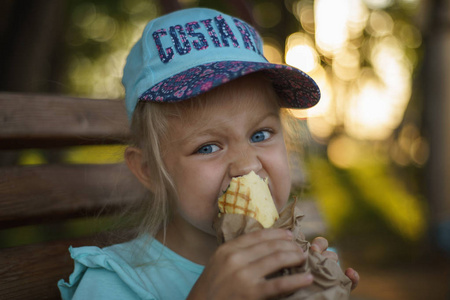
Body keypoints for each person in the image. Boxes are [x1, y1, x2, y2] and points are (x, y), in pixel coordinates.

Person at [58, 7, 359, 299]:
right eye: (208, 147)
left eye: (260, 135)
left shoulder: (303, 263)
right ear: (149, 170)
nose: (246, 165)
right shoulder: (116, 282)